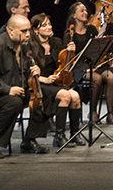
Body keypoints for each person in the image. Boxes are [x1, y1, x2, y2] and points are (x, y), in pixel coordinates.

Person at [0, 15, 50, 158]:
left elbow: (25, 72)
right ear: (10, 30)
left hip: (16, 90)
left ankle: (29, 139)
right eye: (23, 31)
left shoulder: (24, 45)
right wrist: (8, 90)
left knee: (45, 93)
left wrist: (34, 73)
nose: (28, 35)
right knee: (14, 102)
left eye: (28, 31)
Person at [27, 13, 86, 147]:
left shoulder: (56, 42)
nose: (49, 27)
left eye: (49, 24)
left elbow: (66, 64)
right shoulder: (30, 46)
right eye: (44, 25)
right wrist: (44, 79)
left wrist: (72, 53)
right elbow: (27, 71)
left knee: (75, 96)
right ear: (36, 30)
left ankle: (74, 134)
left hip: (54, 82)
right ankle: (59, 136)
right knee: (65, 95)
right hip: (39, 83)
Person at [63, 2, 113, 124]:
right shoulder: (69, 34)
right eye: (81, 11)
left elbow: (97, 49)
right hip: (79, 69)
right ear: (74, 15)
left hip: (94, 64)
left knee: (110, 77)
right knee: (96, 79)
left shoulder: (92, 29)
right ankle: (93, 112)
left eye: (85, 10)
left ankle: (110, 113)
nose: (85, 13)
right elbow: (69, 58)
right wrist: (86, 68)